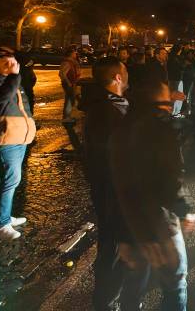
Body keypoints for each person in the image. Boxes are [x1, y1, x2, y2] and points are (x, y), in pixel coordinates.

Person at [110, 81, 195, 311]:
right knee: (175, 283)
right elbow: (170, 179)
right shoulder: (160, 129)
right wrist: (186, 210)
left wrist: (123, 234)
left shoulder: (120, 128)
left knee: (133, 282)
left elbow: (112, 185)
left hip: (130, 222)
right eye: (167, 100)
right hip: (159, 223)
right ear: (160, 102)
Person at [79, 57, 130, 310]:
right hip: (114, 192)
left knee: (116, 246)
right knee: (114, 248)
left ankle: (110, 299)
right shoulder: (107, 111)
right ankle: (107, 302)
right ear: (118, 77)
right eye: (125, 70)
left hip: (111, 190)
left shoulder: (109, 106)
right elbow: (113, 156)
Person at [0, 50, 36, 240]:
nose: (11, 66)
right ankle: (1, 224)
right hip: (5, 138)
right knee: (10, 180)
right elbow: (2, 101)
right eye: (5, 63)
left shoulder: (13, 81)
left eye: (13, 63)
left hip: (18, 137)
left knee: (5, 179)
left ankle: (1, 217)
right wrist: (13, 76)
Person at [60, 47, 81, 123]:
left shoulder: (71, 62)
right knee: (71, 100)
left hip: (72, 83)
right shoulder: (67, 62)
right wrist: (68, 83)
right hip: (69, 84)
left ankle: (68, 116)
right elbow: (62, 74)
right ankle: (68, 116)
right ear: (71, 54)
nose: (76, 54)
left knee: (69, 100)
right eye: (74, 53)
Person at [167, 44, 186, 116]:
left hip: (171, 79)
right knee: (176, 96)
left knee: (173, 96)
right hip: (176, 79)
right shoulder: (176, 58)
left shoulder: (170, 57)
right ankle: (174, 112)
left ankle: (173, 112)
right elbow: (180, 67)